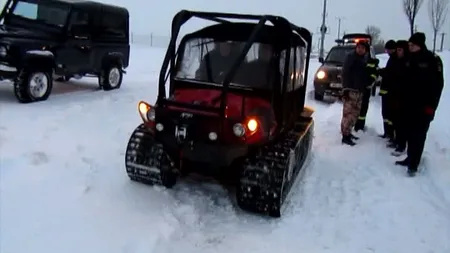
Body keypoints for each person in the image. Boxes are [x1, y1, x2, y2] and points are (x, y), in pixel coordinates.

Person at [395, 32, 444, 176]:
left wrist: (431, 107)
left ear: (420, 45)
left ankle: (413, 165)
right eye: (409, 45)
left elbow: (438, 86)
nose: (409, 47)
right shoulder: (409, 59)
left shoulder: (432, 60)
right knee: (410, 134)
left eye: (412, 45)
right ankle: (410, 157)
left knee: (419, 135)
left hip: (424, 107)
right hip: (408, 105)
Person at [340, 41, 371, 146]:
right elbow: (344, 73)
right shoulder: (351, 57)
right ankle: (345, 136)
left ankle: (349, 132)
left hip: (359, 91)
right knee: (348, 114)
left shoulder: (364, 59)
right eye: (359, 47)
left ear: (366, 50)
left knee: (355, 114)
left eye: (363, 48)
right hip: (350, 90)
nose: (360, 49)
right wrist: (345, 89)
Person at [390, 40, 410, 156]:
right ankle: (397, 141)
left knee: (403, 123)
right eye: (397, 50)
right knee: (396, 121)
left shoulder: (408, 62)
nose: (397, 52)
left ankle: (402, 145)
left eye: (400, 49)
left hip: (405, 98)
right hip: (396, 95)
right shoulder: (397, 61)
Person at [378, 40, 397, 144]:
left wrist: (382, 72)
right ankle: (387, 133)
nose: (387, 51)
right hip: (386, 92)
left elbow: (391, 74)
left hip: (391, 93)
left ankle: (391, 134)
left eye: (388, 49)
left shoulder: (395, 59)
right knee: (385, 114)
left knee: (390, 116)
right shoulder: (392, 59)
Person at [354, 56, 380, 131]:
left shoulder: (372, 63)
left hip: (365, 89)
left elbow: (375, 75)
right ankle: (356, 125)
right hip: (357, 89)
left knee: (362, 108)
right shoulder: (355, 59)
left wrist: (369, 82)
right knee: (357, 108)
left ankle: (359, 126)